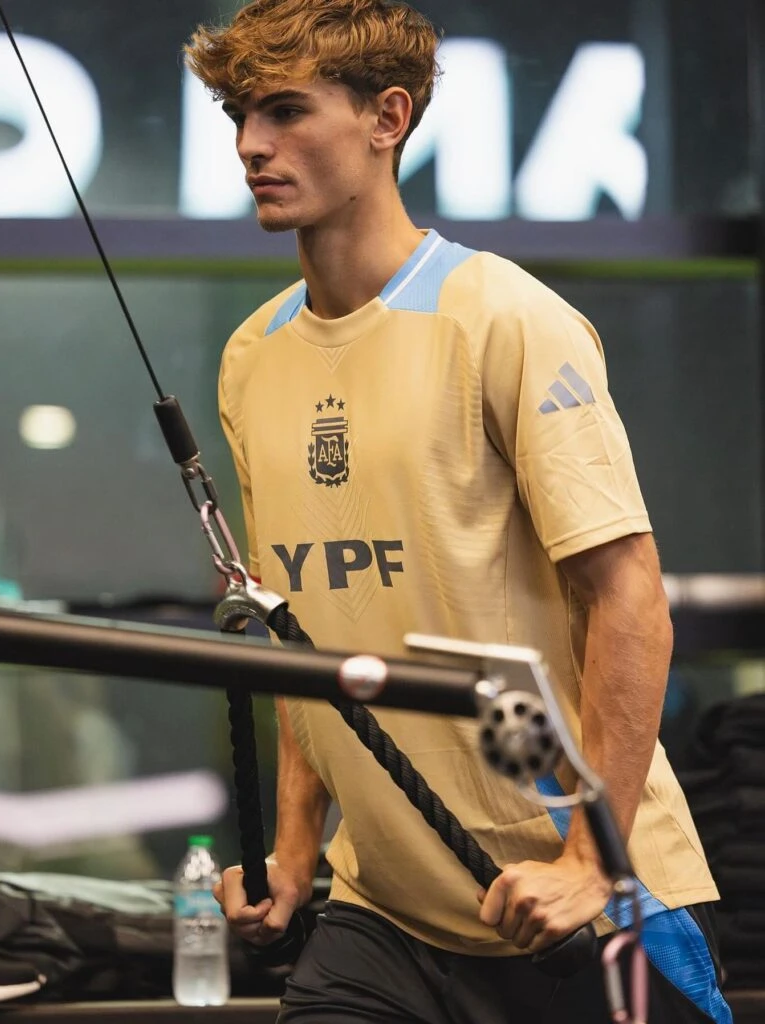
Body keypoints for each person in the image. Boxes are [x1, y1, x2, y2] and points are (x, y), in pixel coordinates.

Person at [184, 2, 732, 1021]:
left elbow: (629, 600)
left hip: (582, 907)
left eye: (286, 111)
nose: (251, 144)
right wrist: (297, 846)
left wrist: (586, 859)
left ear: (386, 116)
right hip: (380, 916)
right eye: (239, 115)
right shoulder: (251, 355)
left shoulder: (504, 318)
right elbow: (296, 625)